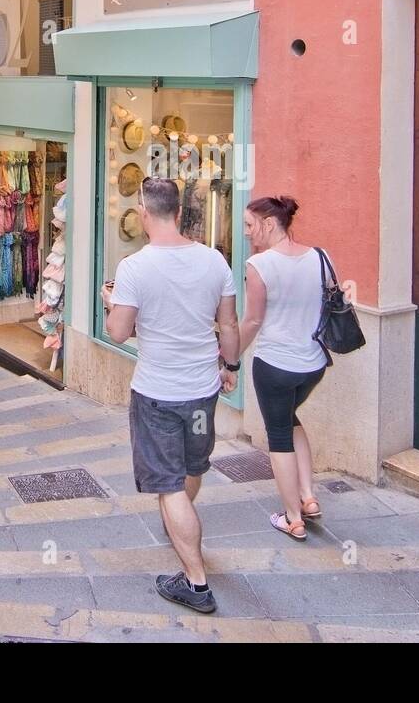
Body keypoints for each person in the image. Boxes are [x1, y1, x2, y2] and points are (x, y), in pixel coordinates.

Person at [101, 177, 239, 614]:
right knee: (192, 466)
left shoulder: (134, 268)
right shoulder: (215, 261)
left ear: (144, 214)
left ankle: (196, 583)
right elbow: (230, 325)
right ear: (179, 213)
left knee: (168, 484)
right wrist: (231, 367)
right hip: (203, 389)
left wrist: (111, 304)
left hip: (158, 393)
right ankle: (182, 519)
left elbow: (119, 332)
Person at [236, 196, 330, 541]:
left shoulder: (259, 265)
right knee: (290, 420)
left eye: (249, 225)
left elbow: (253, 320)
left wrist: (230, 358)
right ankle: (308, 498)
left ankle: (292, 518)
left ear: (270, 224)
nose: (246, 233)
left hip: (275, 365)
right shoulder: (321, 257)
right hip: (313, 364)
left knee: (278, 436)